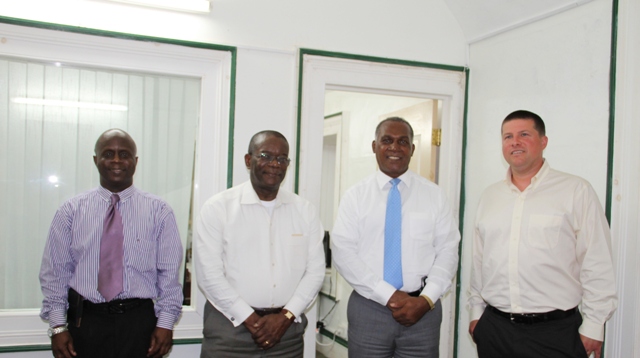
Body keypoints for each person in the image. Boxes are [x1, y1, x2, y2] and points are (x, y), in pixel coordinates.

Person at [468, 110, 617, 358]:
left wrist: (594, 326)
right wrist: (476, 315)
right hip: (495, 330)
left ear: (543, 141)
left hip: (556, 333)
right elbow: (479, 262)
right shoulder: (489, 196)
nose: (514, 142)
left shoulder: (576, 191)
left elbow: (597, 261)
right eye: (507, 137)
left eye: (524, 134)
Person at [39, 128, 184, 358]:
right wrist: (57, 326)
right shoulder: (70, 211)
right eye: (108, 154)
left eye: (124, 154)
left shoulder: (159, 212)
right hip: (85, 324)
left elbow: (169, 275)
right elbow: (55, 274)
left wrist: (165, 324)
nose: (116, 160)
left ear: (135, 161)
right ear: (96, 160)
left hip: (139, 325)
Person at [331, 117, 461, 357]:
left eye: (403, 141)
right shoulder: (355, 197)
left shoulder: (434, 196)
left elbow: (448, 250)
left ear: (412, 149)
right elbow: (343, 253)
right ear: (374, 146)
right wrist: (387, 294)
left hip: (423, 310)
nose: (395, 147)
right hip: (369, 307)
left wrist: (427, 299)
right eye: (387, 140)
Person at [195, 130, 325, 357]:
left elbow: (314, 273)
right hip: (230, 331)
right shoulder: (218, 209)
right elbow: (209, 276)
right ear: (248, 160)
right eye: (265, 155)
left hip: (286, 335)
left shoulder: (305, 211)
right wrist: (252, 320)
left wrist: (285, 318)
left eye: (282, 159)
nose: (274, 164)